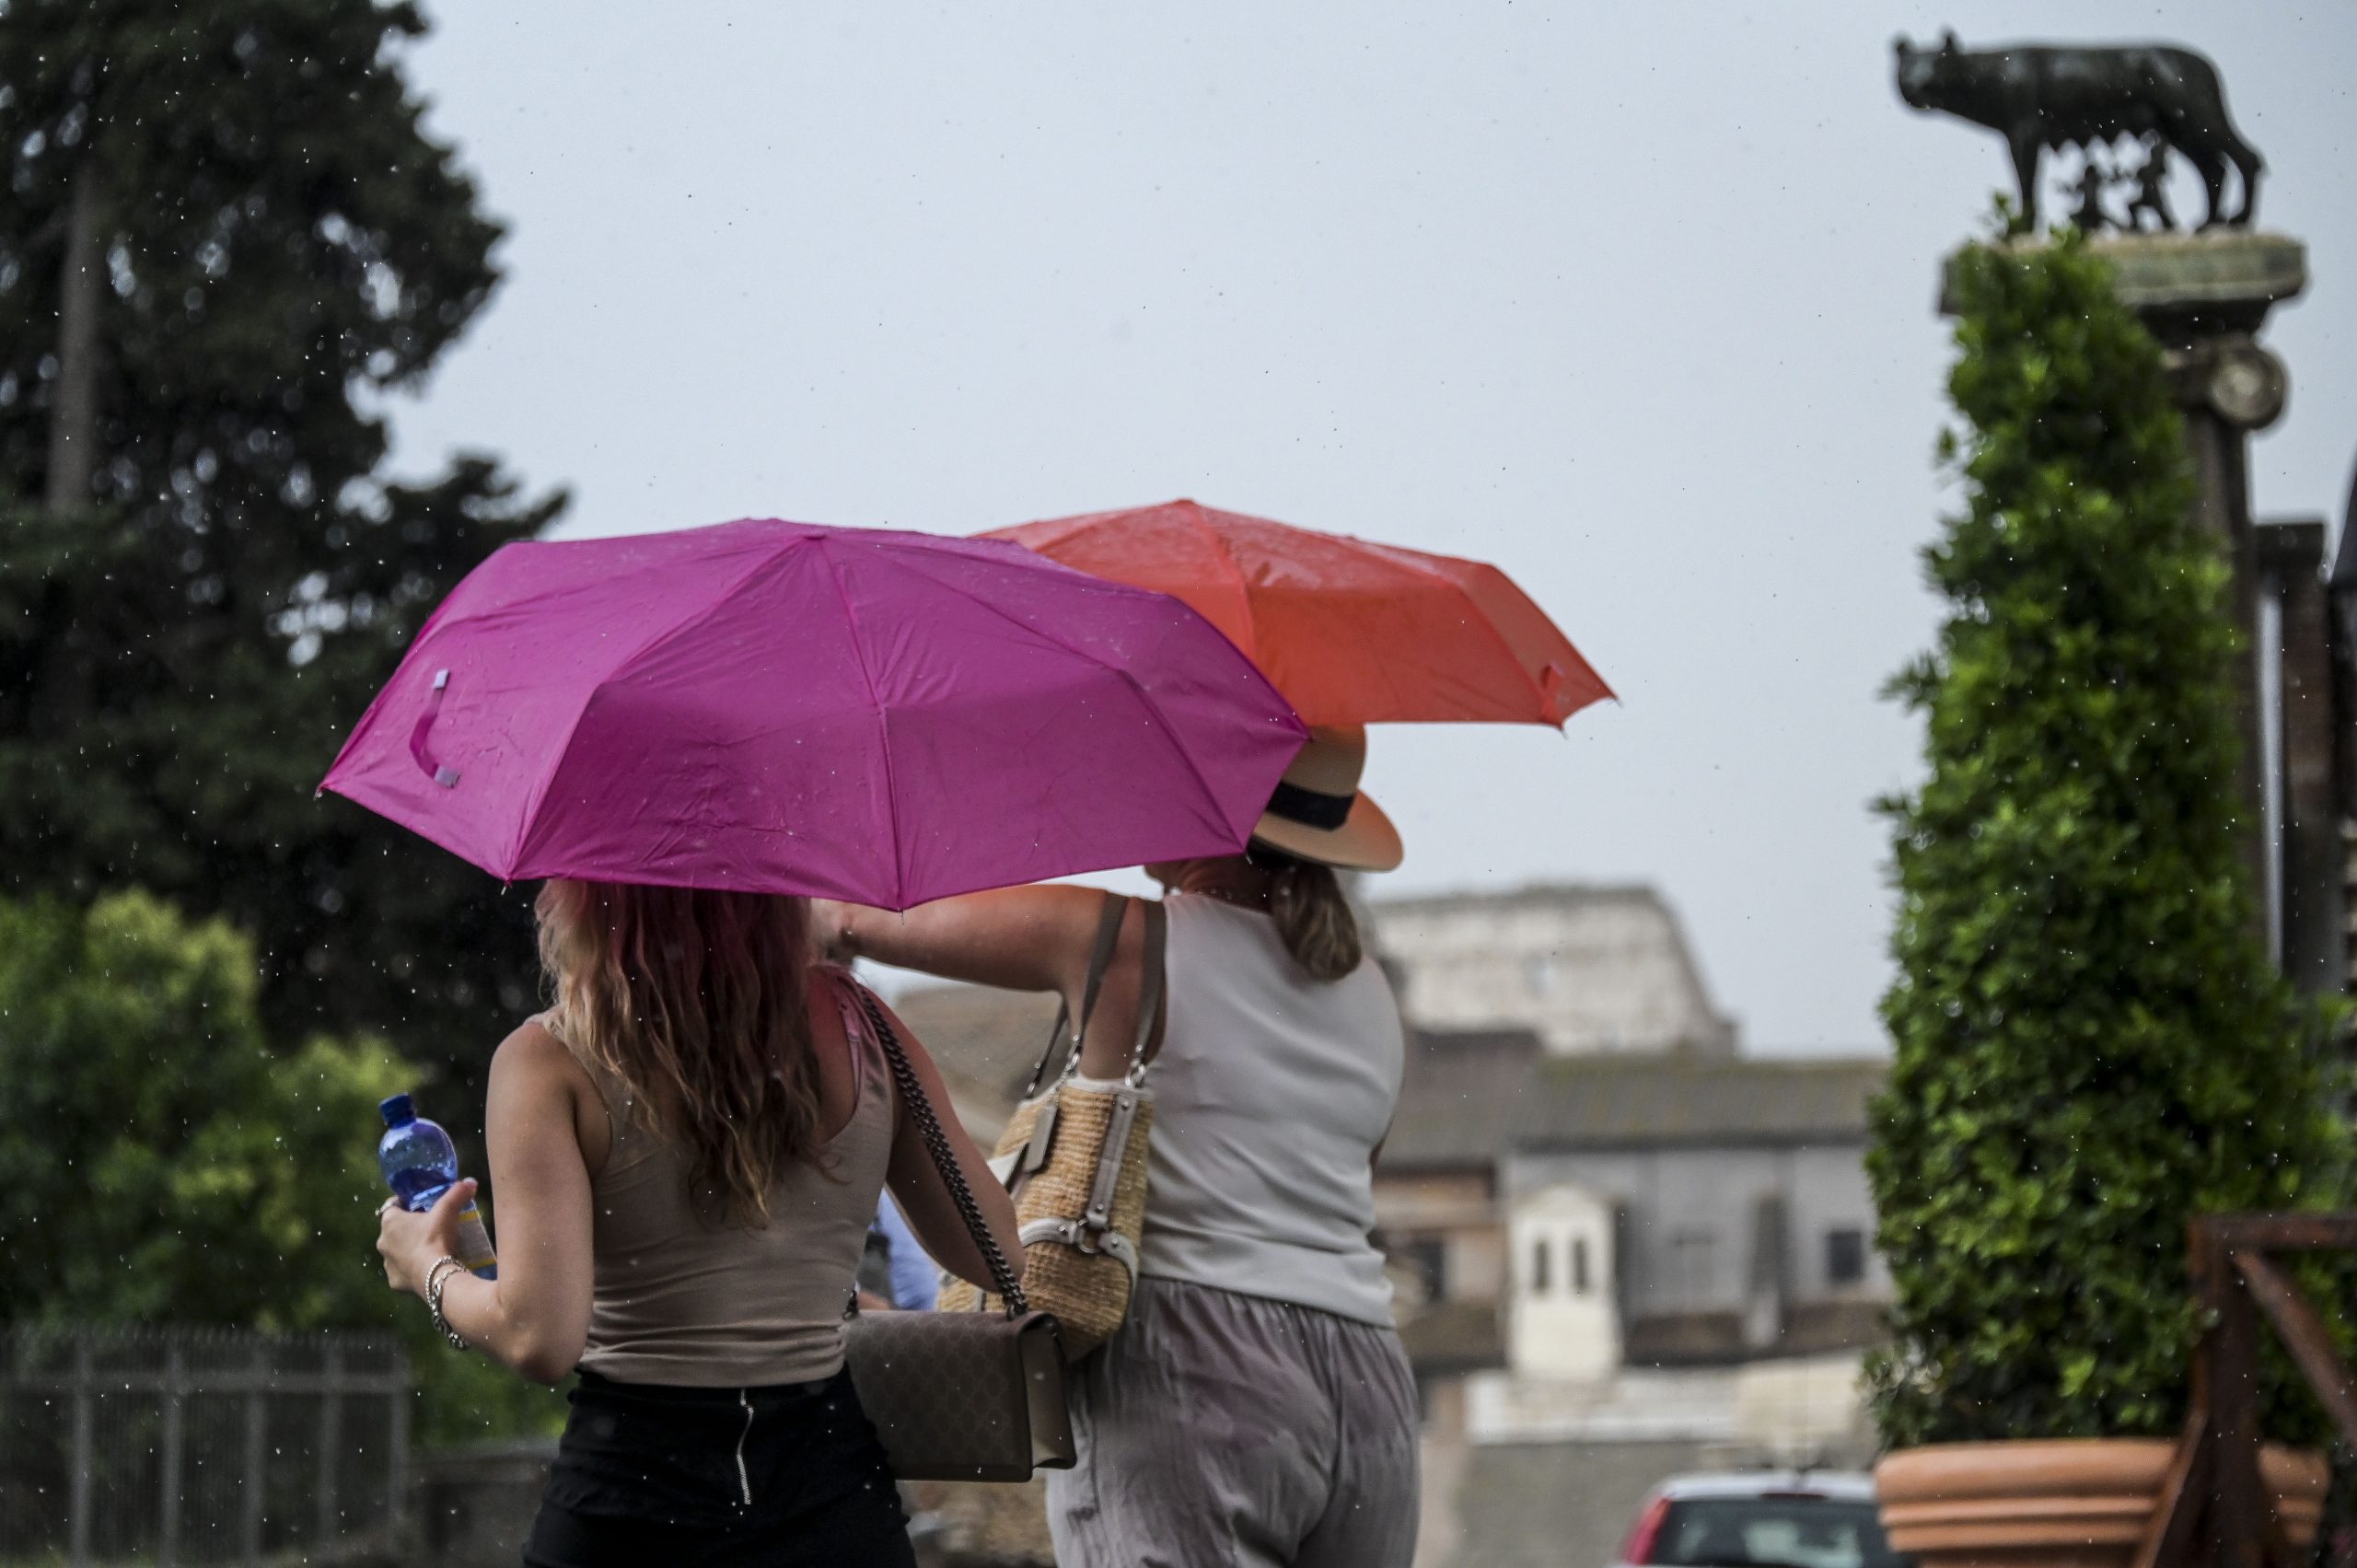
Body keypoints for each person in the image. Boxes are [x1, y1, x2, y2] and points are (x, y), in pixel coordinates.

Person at [820, 725, 1421, 1568]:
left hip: (1196, 1369)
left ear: (1205, 808)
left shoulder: (1132, 941)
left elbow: (853, 920)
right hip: (1367, 1381)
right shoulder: (1370, 997)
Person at [376, 879, 1020, 1567]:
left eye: (566, 874)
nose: (541, 902)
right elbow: (995, 1247)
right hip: (833, 1501)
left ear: (610, 895)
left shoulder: (547, 1060)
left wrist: (427, 1267)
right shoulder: (864, 1028)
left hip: (630, 1504)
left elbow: (539, 1337)